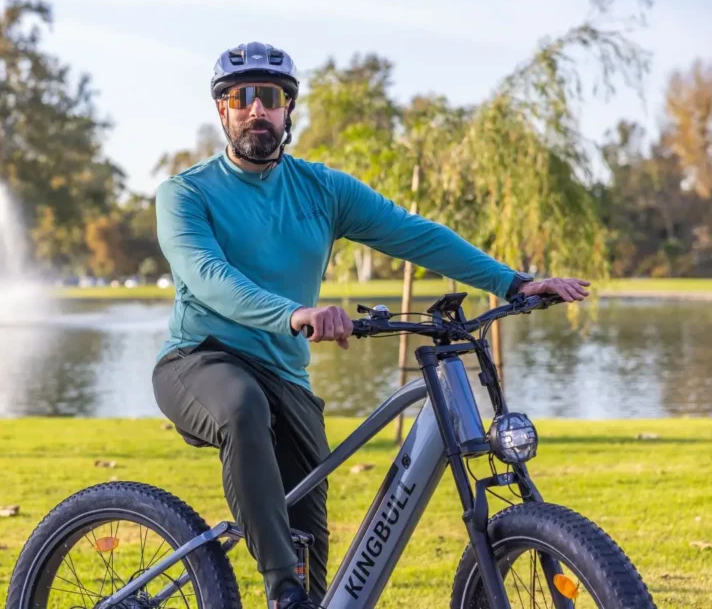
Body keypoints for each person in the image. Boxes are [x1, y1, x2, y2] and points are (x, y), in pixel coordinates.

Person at [150, 41, 590, 608]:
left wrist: (511, 282)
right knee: (241, 410)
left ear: (289, 111)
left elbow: (414, 233)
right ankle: (281, 588)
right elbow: (208, 275)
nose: (256, 109)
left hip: (286, 375)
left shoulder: (323, 189)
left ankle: (297, 591)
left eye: (272, 98)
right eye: (242, 98)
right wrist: (294, 313)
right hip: (200, 359)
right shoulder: (184, 193)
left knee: (311, 544)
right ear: (223, 111)